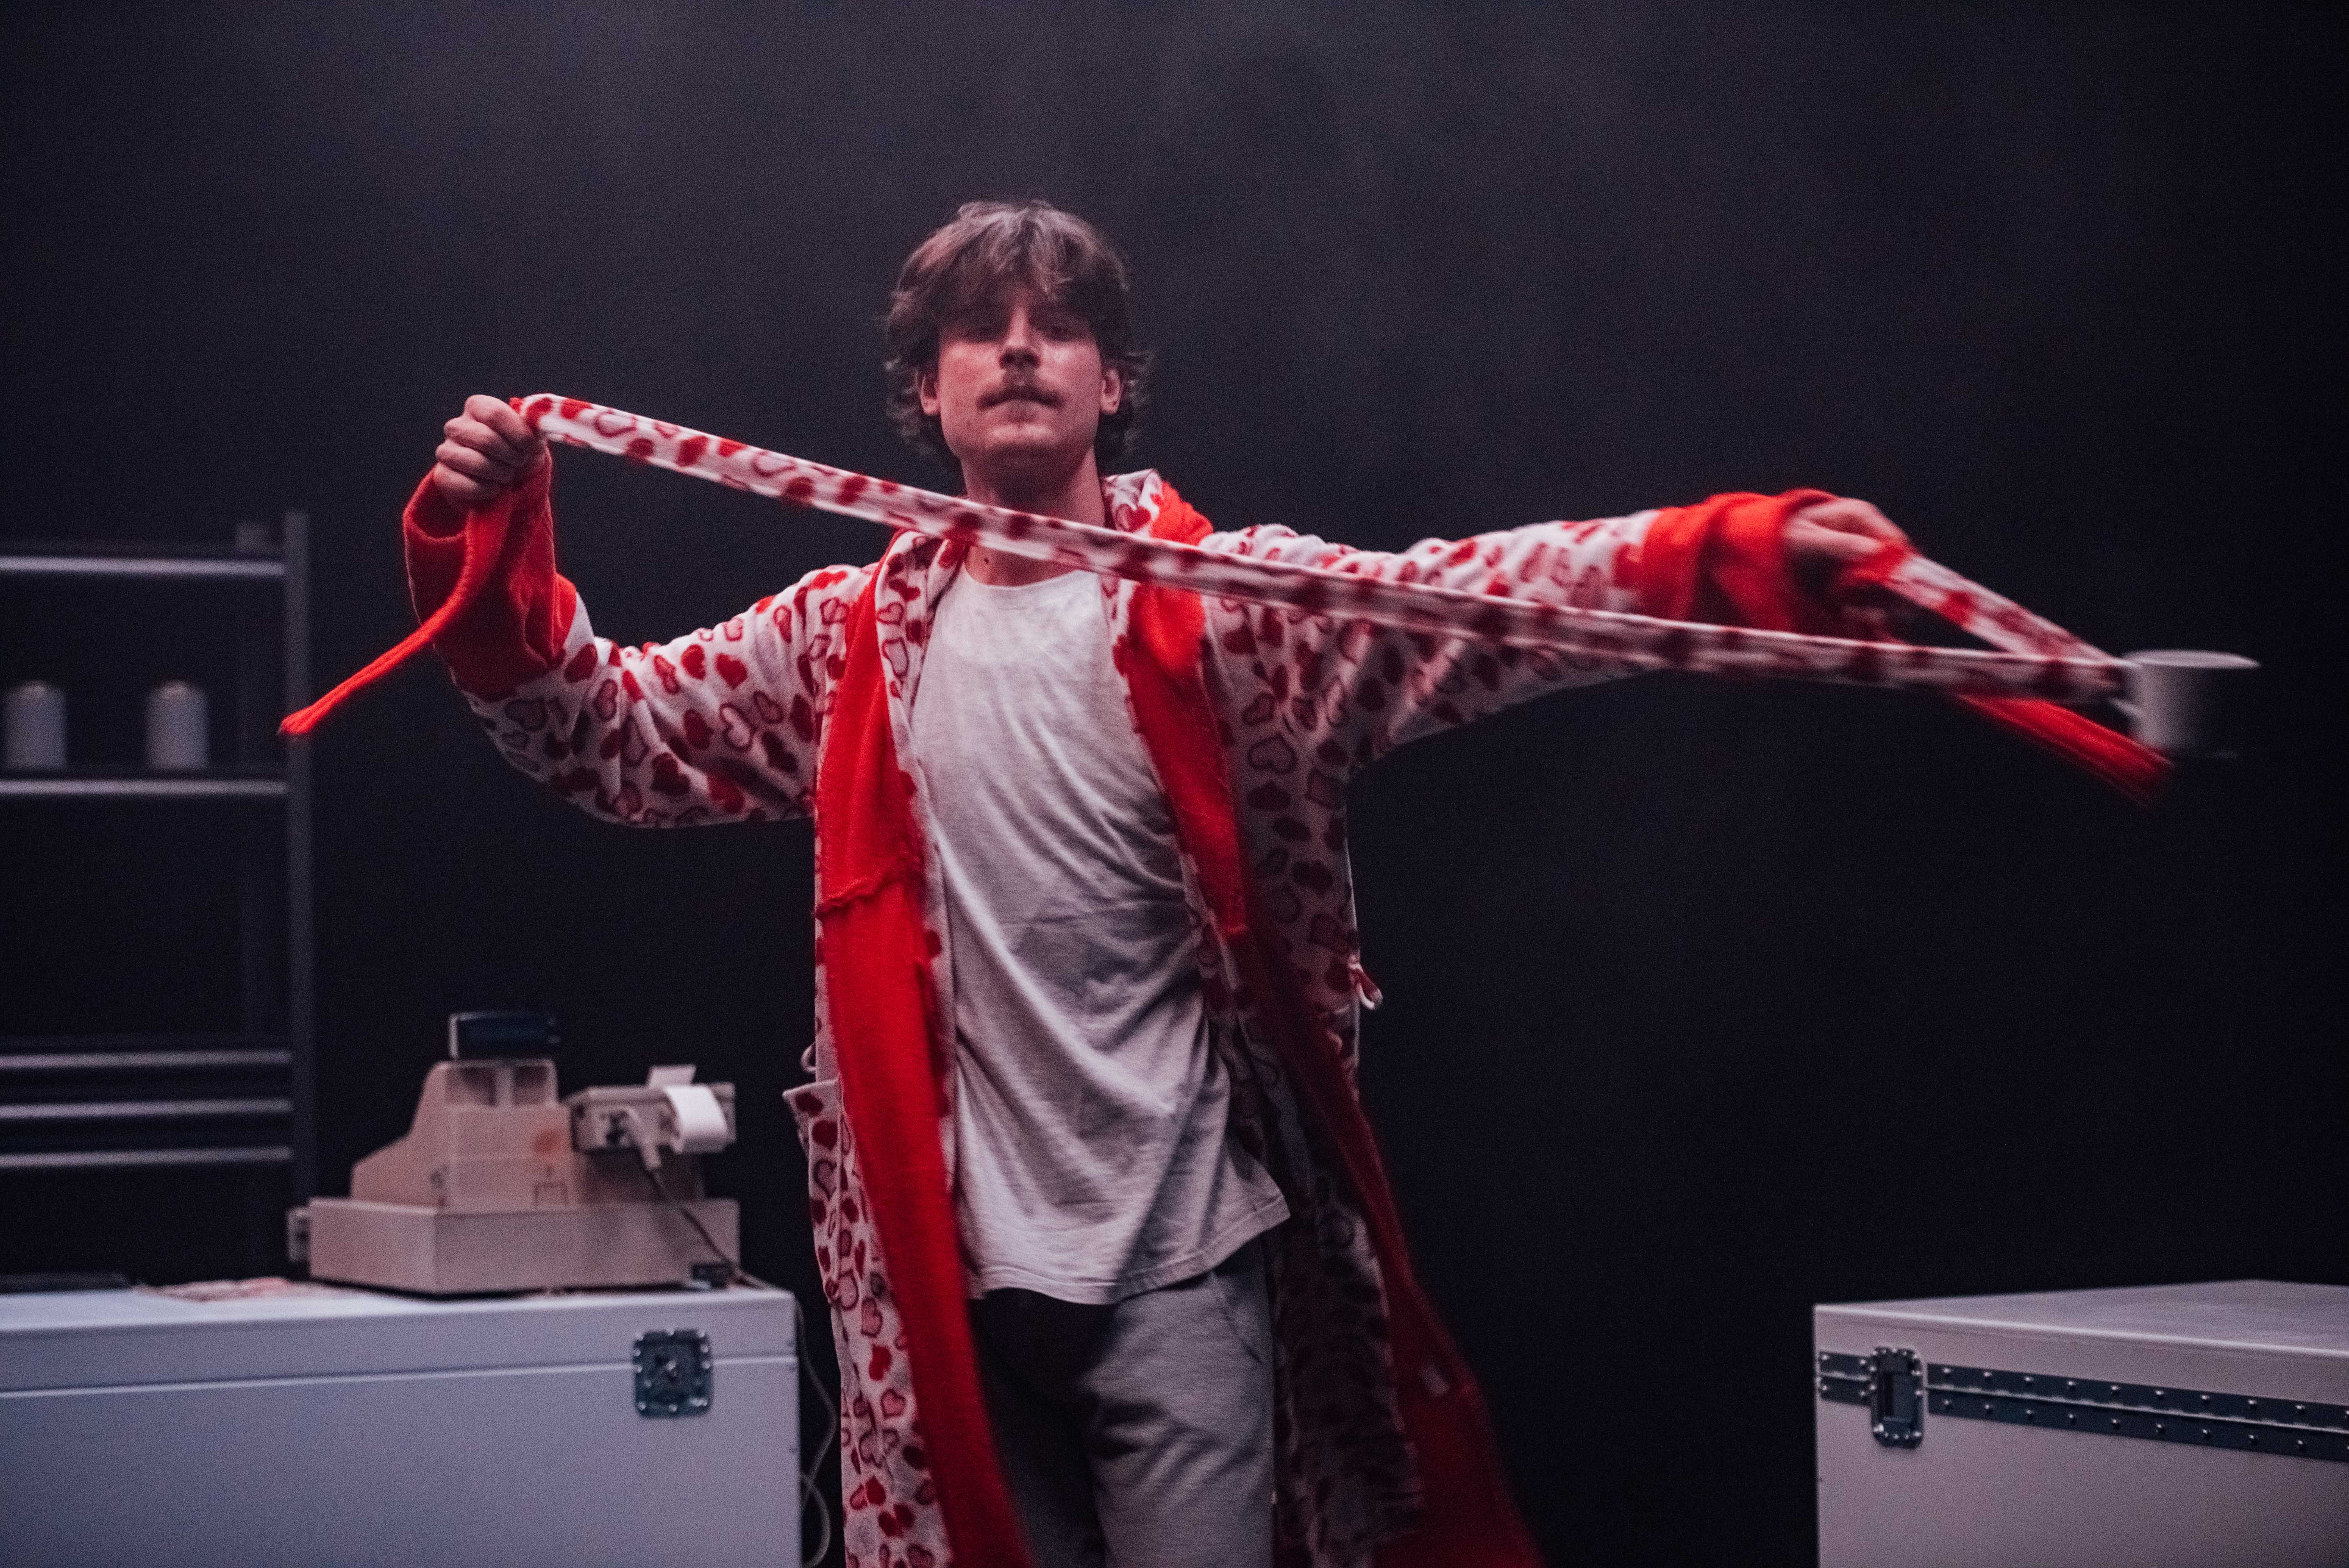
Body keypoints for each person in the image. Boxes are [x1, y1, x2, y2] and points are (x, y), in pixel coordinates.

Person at [412, 200, 1905, 1568]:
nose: (1017, 348)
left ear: (1111, 379)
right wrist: (490, 541)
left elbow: (1464, 608)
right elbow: (606, 737)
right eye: (978, 329)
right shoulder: (846, 639)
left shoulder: (1230, 613)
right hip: (951, 1287)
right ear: (926, 387)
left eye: (1057, 325)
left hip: (1185, 1266)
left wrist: (1724, 554)